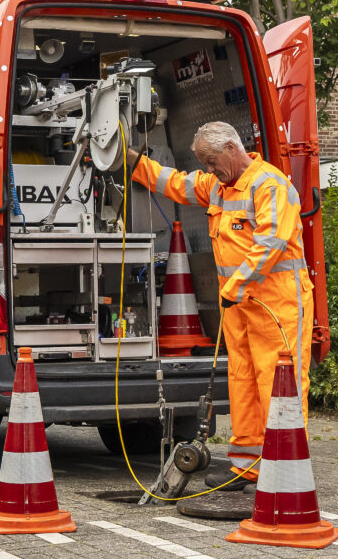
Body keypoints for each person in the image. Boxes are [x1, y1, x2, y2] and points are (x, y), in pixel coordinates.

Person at [130, 120, 314, 489]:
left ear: (231, 148)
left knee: (278, 385)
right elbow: (177, 183)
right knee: (243, 381)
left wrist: (235, 285)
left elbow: (271, 243)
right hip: (241, 305)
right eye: (205, 163)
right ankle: (247, 466)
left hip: (277, 305)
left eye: (211, 161)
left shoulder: (270, 185)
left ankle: (284, 471)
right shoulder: (219, 186)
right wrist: (132, 161)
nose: (208, 169)